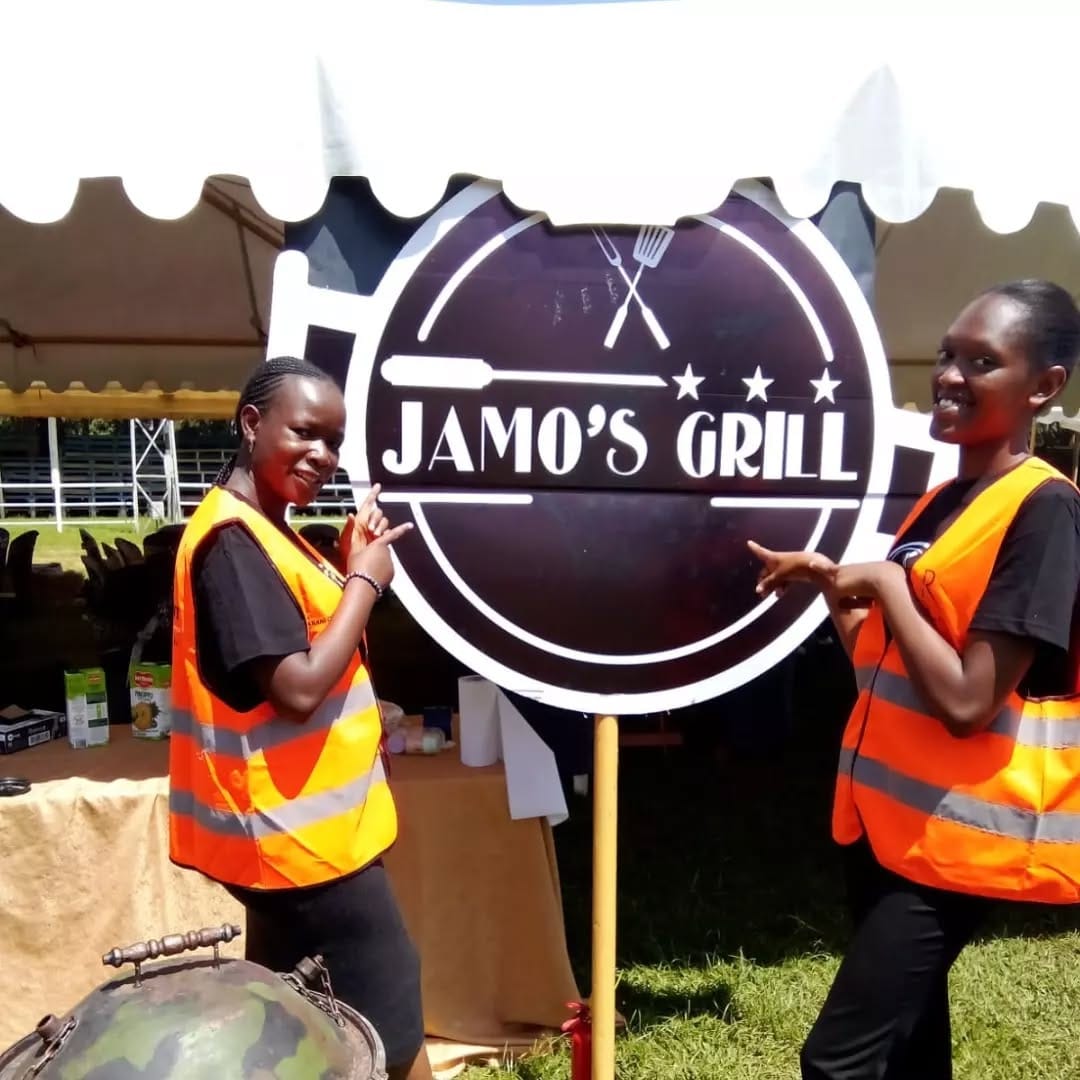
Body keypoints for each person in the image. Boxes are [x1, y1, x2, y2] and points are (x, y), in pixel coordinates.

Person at [749, 280, 1080, 1080]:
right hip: (888, 827)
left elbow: (968, 700)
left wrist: (887, 585)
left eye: (981, 362)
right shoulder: (941, 502)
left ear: (1044, 387)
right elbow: (888, 664)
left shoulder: (1044, 513)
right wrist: (837, 591)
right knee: (908, 1052)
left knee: (838, 1061)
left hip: (959, 842)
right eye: (946, 355)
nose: (949, 376)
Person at [168, 355, 433, 1080]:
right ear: (252, 424)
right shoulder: (230, 542)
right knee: (393, 1032)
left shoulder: (271, 530)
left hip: (304, 842)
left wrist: (349, 562)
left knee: (294, 1032)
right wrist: (365, 580)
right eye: (306, 432)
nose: (323, 454)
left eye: (334, 442)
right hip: (300, 851)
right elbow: (298, 686)